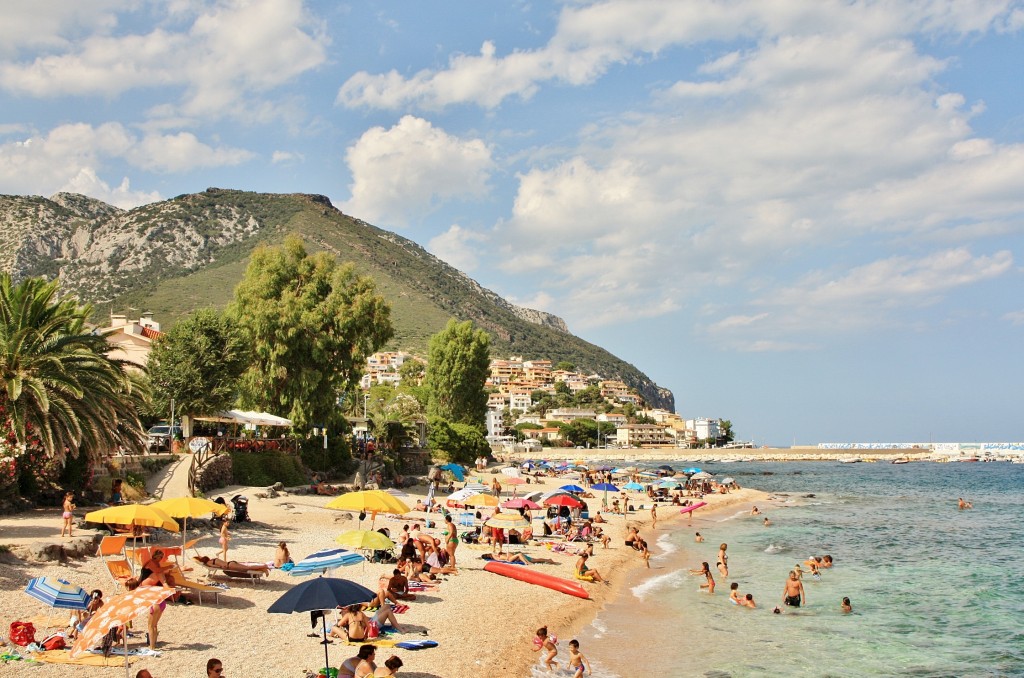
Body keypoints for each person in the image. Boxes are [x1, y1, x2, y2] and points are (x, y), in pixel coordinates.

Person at [125, 578, 166, 649]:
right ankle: (154, 643)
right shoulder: (143, 587)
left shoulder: (137, 591)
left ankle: (152, 646)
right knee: (154, 625)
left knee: (150, 626)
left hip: (155, 605)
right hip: (162, 603)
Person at [482, 551, 556, 565]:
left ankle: (548, 560)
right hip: (509, 559)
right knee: (520, 554)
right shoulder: (495, 558)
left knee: (535, 560)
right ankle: (527, 562)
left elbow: (495, 553)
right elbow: (497, 558)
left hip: (511, 557)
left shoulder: (495, 555)